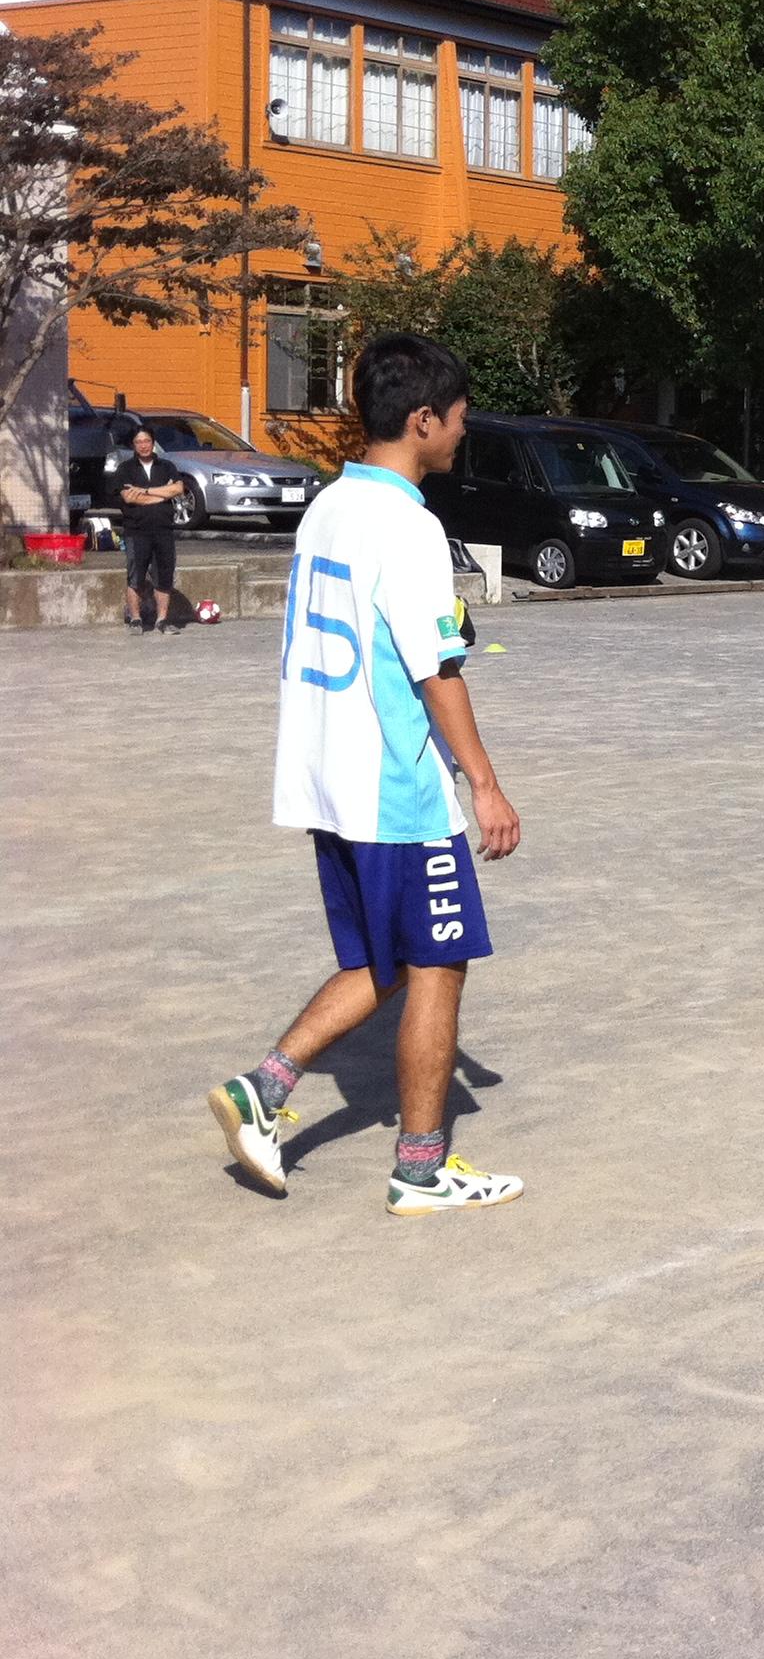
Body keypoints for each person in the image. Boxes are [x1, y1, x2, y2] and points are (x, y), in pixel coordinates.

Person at [206, 333, 525, 1215]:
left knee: (386, 958)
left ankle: (263, 1090)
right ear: (422, 421)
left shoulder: (330, 507)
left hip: (327, 780)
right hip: (396, 792)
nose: (461, 436)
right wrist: (485, 785)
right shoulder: (408, 526)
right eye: (457, 420)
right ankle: (419, 1170)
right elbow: (435, 670)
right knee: (440, 960)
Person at [113, 423, 187, 633]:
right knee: (135, 576)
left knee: (163, 577)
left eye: (147, 441)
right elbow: (129, 497)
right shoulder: (125, 469)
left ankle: (162, 620)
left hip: (164, 530)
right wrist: (162, 493)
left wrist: (145, 491)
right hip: (136, 531)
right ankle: (136, 619)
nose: (143, 445)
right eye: (139, 442)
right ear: (133, 445)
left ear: (153, 443)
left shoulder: (167, 467)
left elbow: (178, 489)